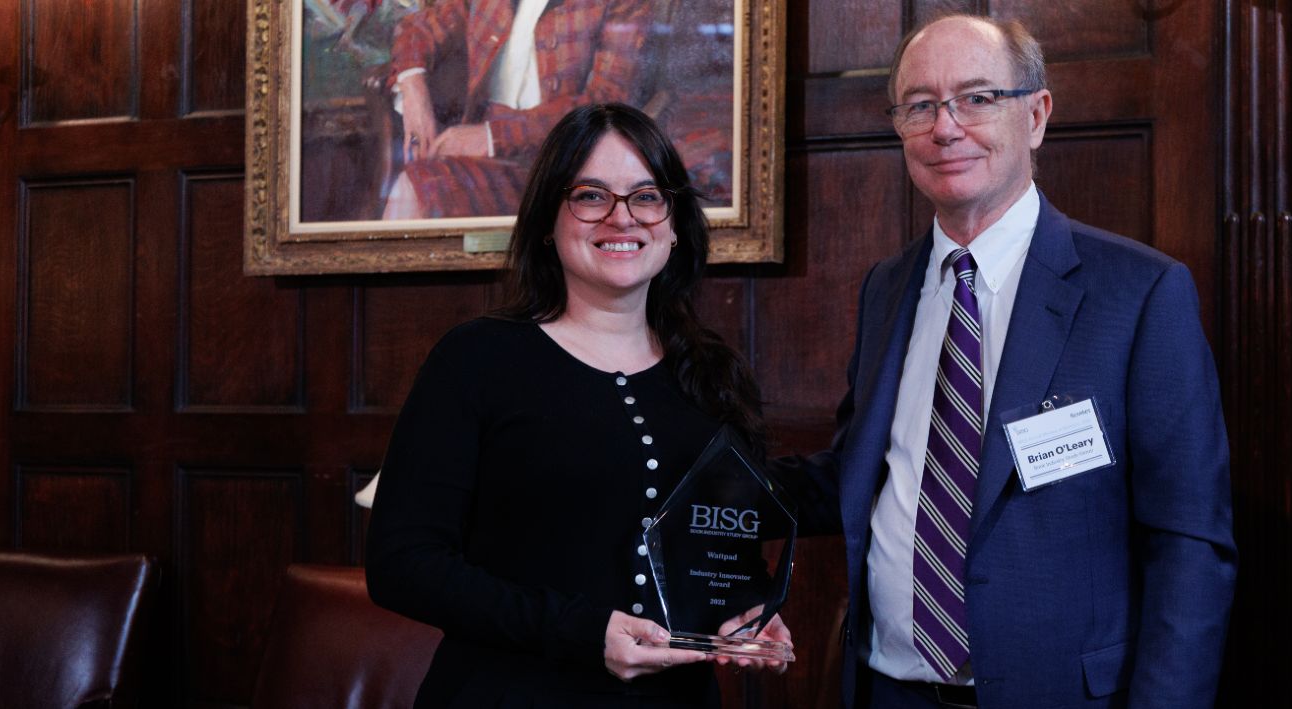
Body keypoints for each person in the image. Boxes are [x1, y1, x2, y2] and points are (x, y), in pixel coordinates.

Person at [790, 14, 1237, 709]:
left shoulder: (1138, 293)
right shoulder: (887, 287)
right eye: (920, 105)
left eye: (977, 98)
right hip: (888, 691)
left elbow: (1189, 544)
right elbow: (861, 471)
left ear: (1036, 114)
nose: (946, 127)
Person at [365, 103, 788, 708]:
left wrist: (750, 614)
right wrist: (583, 633)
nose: (623, 218)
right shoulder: (476, 359)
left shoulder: (713, 374)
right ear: (547, 221)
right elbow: (401, 564)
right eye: (592, 196)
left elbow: (721, 547)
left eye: (646, 196)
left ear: (673, 223)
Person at [382, 0, 656, 219]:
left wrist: (491, 137)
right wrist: (413, 86)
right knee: (411, 189)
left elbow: (609, 102)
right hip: (483, 161)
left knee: (416, 188)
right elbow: (418, 28)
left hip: (563, 167)